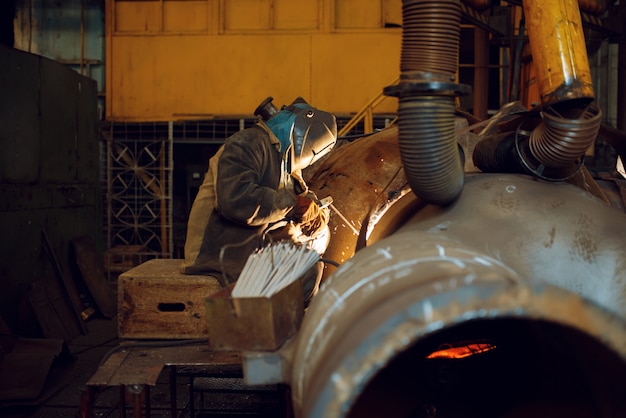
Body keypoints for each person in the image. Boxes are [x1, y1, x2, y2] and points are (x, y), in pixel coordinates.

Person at [182, 97, 337, 303]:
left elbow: (301, 196)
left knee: (312, 267)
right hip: (219, 254)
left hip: (250, 249)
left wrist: (316, 213)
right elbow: (236, 199)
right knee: (303, 274)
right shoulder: (247, 144)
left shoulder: (282, 160)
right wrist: (293, 205)